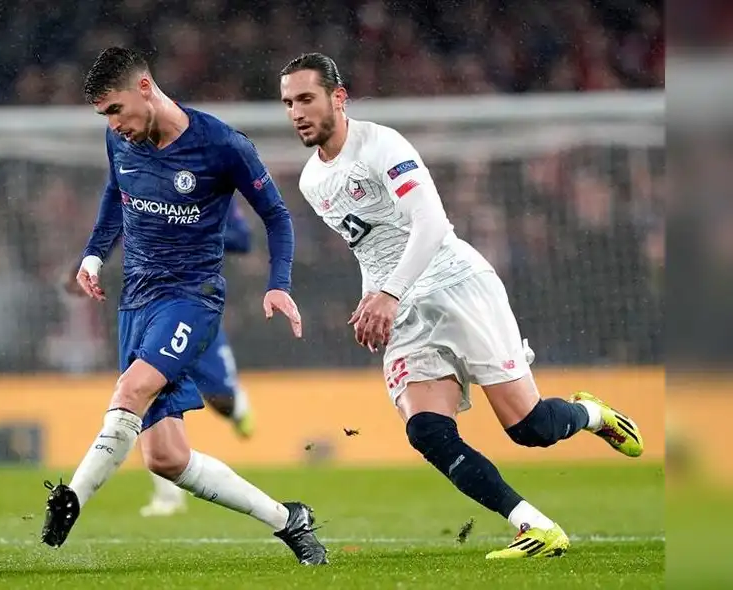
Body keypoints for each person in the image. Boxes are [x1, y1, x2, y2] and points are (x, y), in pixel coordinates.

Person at [279, 53, 644, 560]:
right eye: (288, 103)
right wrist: (372, 296)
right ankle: (534, 525)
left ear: (337, 99)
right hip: (404, 307)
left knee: (530, 429)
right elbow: (368, 245)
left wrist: (389, 293)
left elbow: (430, 224)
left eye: (305, 99)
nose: (296, 112)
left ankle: (592, 413)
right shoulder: (311, 182)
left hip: (456, 287)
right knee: (426, 430)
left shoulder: (382, 146)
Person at [40, 47, 327, 566]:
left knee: (130, 390)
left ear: (145, 87)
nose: (113, 124)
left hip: (191, 300)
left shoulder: (220, 144)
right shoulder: (118, 140)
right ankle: (290, 520)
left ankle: (72, 497)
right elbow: (115, 194)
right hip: (135, 304)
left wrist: (278, 283)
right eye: (104, 115)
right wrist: (92, 255)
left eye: (116, 110)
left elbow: (277, 216)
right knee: (166, 459)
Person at [66, 199, 258, 517]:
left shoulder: (211, 181)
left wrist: (187, 230)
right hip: (149, 304)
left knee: (220, 399)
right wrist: (87, 261)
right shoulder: (139, 179)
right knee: (143, 395)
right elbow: (114, 223)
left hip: (192, 303)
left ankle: (236, 405)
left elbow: (242, 239)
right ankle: (167, 495)